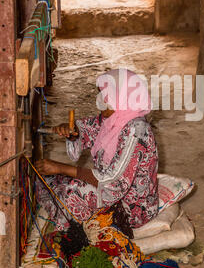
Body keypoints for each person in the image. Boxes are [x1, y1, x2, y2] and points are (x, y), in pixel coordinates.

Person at [35, 68, 159, 231]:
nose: (100, 99)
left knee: (70, 191)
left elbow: (114, 182)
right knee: (48, 180)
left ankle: (75, 227)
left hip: (132, 208)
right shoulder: (113, 119)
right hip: (110, 190)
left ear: (120, 96)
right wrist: (72, 133)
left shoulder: (137, 131)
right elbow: (87, 129)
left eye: (105, 94)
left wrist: (61, 168)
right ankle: (66, 210)